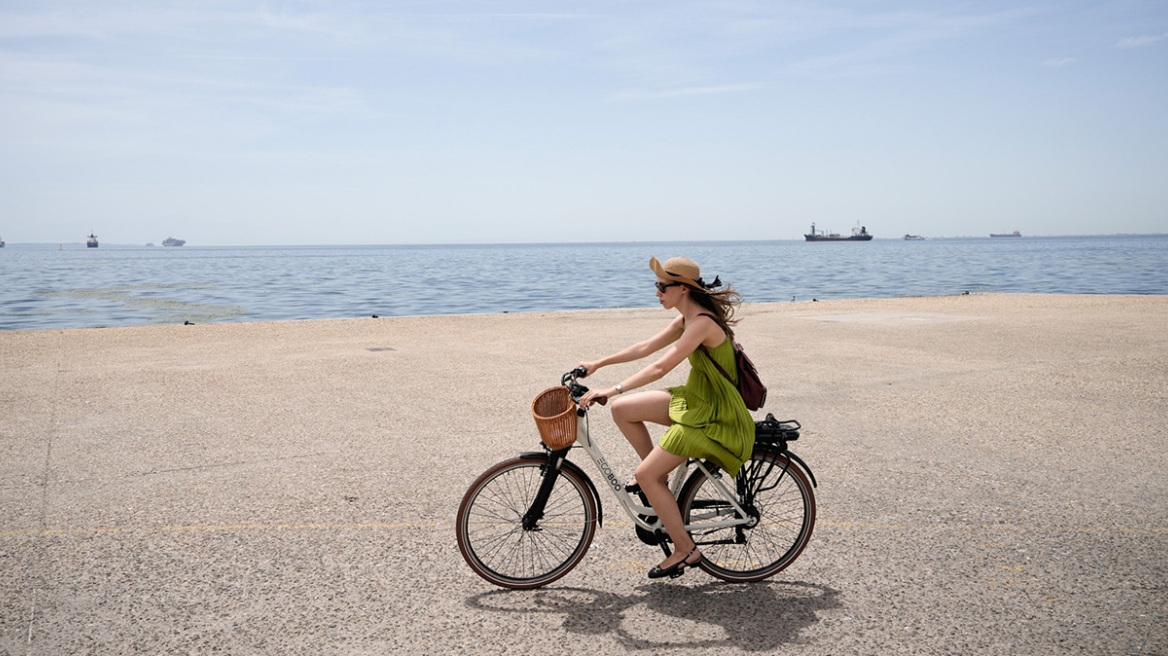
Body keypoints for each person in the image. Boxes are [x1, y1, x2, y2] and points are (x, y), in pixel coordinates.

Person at [578, 256, 755, 579]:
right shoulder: (687, 318)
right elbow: (645, 347)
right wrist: (598, 363)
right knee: (623, 410)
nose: (656, 292)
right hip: (697, 399)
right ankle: (657, 485)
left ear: (683, 289)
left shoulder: (701, 323)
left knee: (644, 472)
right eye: (656, 285)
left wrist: (611, 389)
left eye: (662, 286)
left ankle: (686, 549)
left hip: (714, 414)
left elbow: (661, 367)